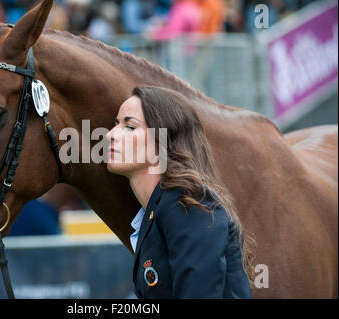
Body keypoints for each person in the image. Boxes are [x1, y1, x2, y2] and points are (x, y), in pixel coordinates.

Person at [105, 86, 253, 298]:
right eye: (115, 124)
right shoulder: (160, 210)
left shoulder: (188, 204)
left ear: (161, 143)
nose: (110, 134)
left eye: (129, 126)